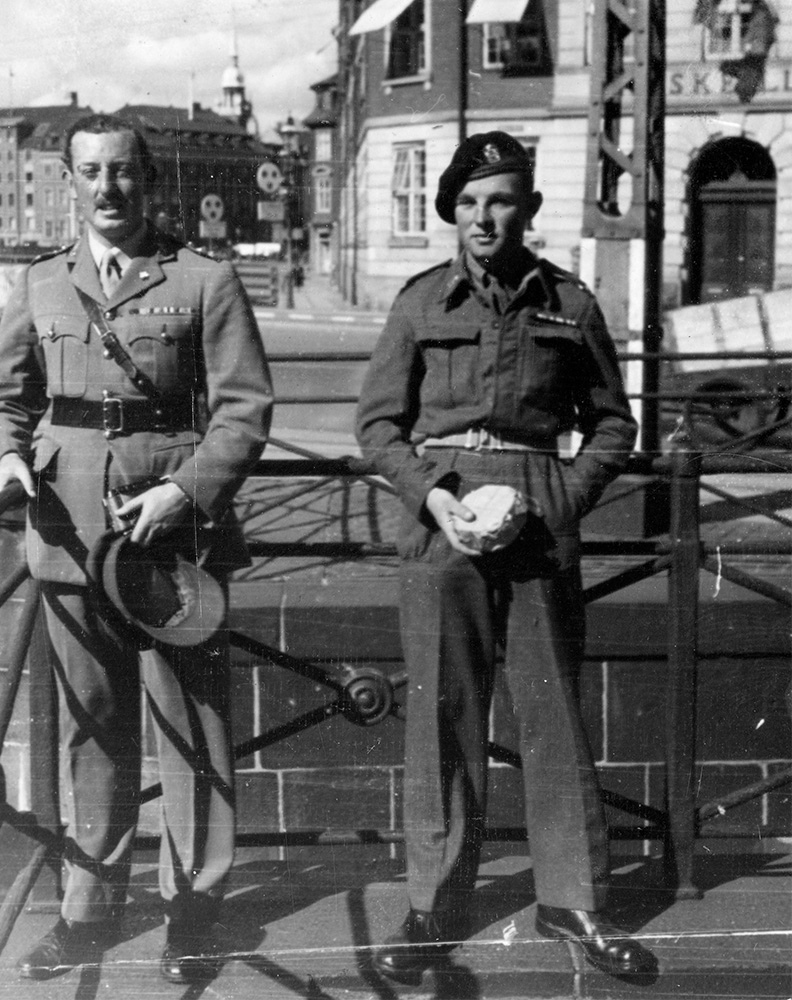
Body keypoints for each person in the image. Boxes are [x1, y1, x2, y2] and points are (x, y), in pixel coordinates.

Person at [355, 132, 656, 983]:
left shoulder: (569, 304)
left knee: (553, 712)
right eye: (472, 201)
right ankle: (435, 901)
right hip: (443, 517)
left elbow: (612, 425)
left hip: (535, 518)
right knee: (443, 716)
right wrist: (430, 494)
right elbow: (378, 424)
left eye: (503, 200)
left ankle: (575, 899)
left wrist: (559, 497)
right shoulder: (420, 303)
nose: (486, 217)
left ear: (527, 208)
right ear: (452, 209)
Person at [0, 114, 273, 983]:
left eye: (123, 173)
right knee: (91, 728)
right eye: (90, 173)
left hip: (174, 537)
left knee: (192, 726)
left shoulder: (204, 279)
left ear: (147, 182)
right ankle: (88, 910)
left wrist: (183, 491)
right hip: (69, 534)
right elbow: (3, 395)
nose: (107, 188)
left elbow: (245, 411)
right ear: (69, 181)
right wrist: (6, 456)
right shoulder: (40, 284)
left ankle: (194, 908)